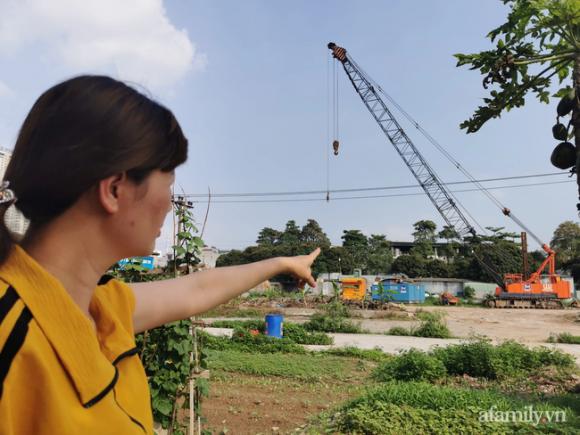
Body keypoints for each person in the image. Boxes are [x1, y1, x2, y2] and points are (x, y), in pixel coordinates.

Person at [0, 75, 320, 434]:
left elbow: (198, 290)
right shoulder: (11, 342)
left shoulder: (98, 308)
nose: (171, 203)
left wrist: (282, 263)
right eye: (168, 185)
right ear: (115, 189)